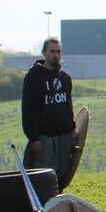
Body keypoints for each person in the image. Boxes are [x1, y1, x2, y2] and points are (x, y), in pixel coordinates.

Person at [21, 37, 75, 177]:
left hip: (64, 135)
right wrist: (34, 138)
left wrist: (72, 130)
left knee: (62, 173)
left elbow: (68, 106)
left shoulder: (64, 77)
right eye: (52, 51)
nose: (55, 55)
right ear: (44, 53)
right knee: (44, 175)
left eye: (58, 51)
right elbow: (28, 109)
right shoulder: (33, 77)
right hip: (44, 136)